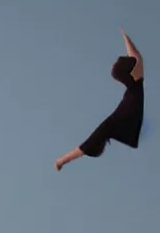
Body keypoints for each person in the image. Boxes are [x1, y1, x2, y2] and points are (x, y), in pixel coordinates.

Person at [55, 29, 145, 171]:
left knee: (102, 131)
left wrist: (61, 161)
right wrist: (125, 37)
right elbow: (134, 54)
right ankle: (62, 161)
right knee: (103, 131)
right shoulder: (137, 75)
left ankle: (62, 161)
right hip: (129, 113)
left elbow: (134, 54)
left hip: (128, 114)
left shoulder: (136, 76)